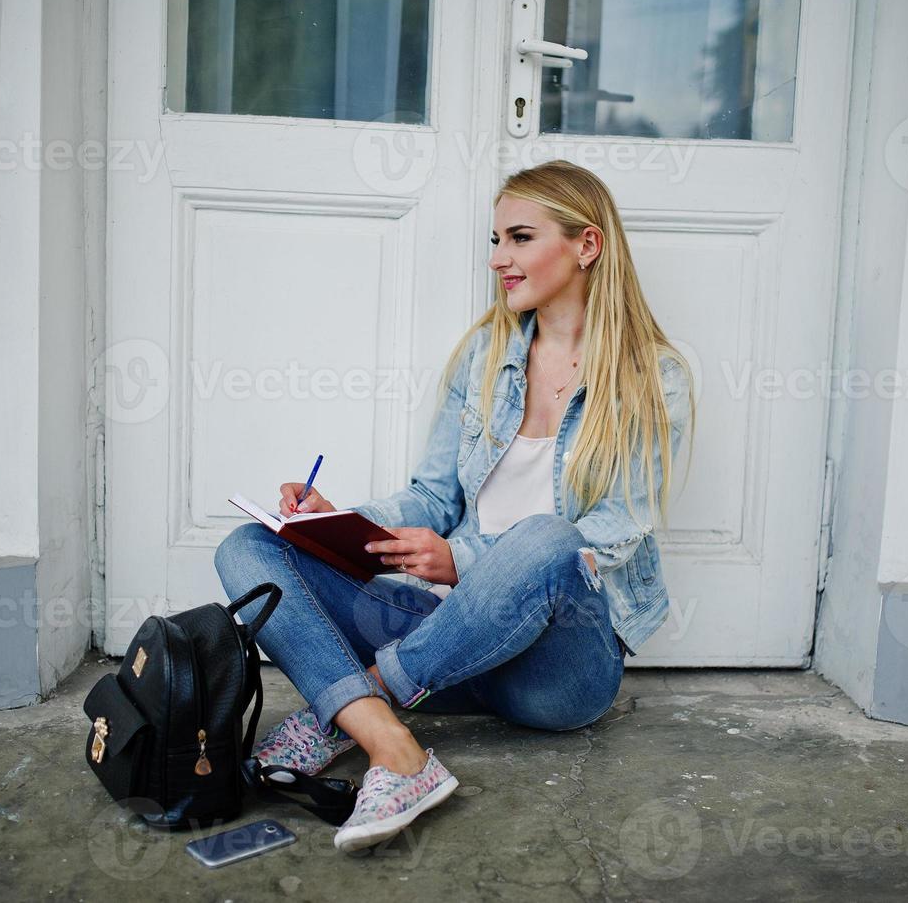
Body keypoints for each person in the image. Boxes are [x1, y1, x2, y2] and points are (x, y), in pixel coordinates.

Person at [214, 159, 697, 852]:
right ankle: (394, 749)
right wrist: (333, 521)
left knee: (546, 538)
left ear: (586, 245)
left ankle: (348, 706)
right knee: (247, 549)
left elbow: (611, 536)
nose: (498, 258)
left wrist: (460, 560)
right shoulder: (486, 354)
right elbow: (433, 496)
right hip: (450, 644)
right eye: (495, 240)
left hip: (556, 673)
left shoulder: (655, 377)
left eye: (519, 238)